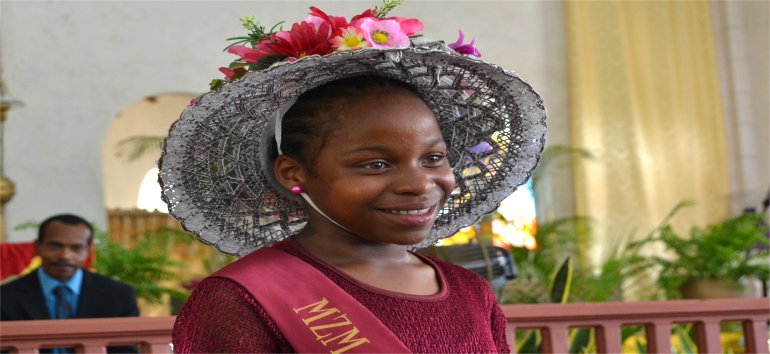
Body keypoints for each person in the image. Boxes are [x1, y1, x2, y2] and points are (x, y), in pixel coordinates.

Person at [161, 3, 546, 353]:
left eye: (433, 158)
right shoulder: (245, 299)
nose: (419, 183)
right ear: (294, 173)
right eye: (375, 164)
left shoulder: (471, 292)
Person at [1, 214, 139, 353]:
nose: (65, 255)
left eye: (76, 248)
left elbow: (127, 349)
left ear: (88, 250)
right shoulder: (5, 296)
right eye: (55, 246)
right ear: (37, 246)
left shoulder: (119, 295)